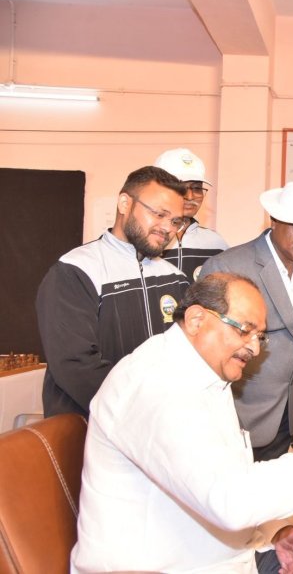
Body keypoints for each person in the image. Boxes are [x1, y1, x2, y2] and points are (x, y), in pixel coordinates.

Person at [71, 273, 293, 574]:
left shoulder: (202, 373)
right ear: (196, 320)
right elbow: (230, 500)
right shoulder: (156, 384)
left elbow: (226, 477)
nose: (254, 348)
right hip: (173, 567)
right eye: (244, 330)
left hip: (227, 556)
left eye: (259, 336)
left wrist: (272, 532)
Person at [200, 181, 293, 460]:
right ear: (274, 220)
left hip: (287, 419)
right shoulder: (228, 267)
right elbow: (204, 354)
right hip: (235, 421)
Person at [36, 166, 189, 418]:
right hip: (91, 427)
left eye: (175, 221)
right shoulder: (77, 270)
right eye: (159, 214)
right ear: (125, 203)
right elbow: (75, 364)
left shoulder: (175, 277)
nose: (168, 228)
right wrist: (138, 412)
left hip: (155, 426)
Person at [154, 148, 229, 282]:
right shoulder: (143, 239)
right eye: (181, 187)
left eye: (197, 188)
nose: (190, 196)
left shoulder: (216, 243)